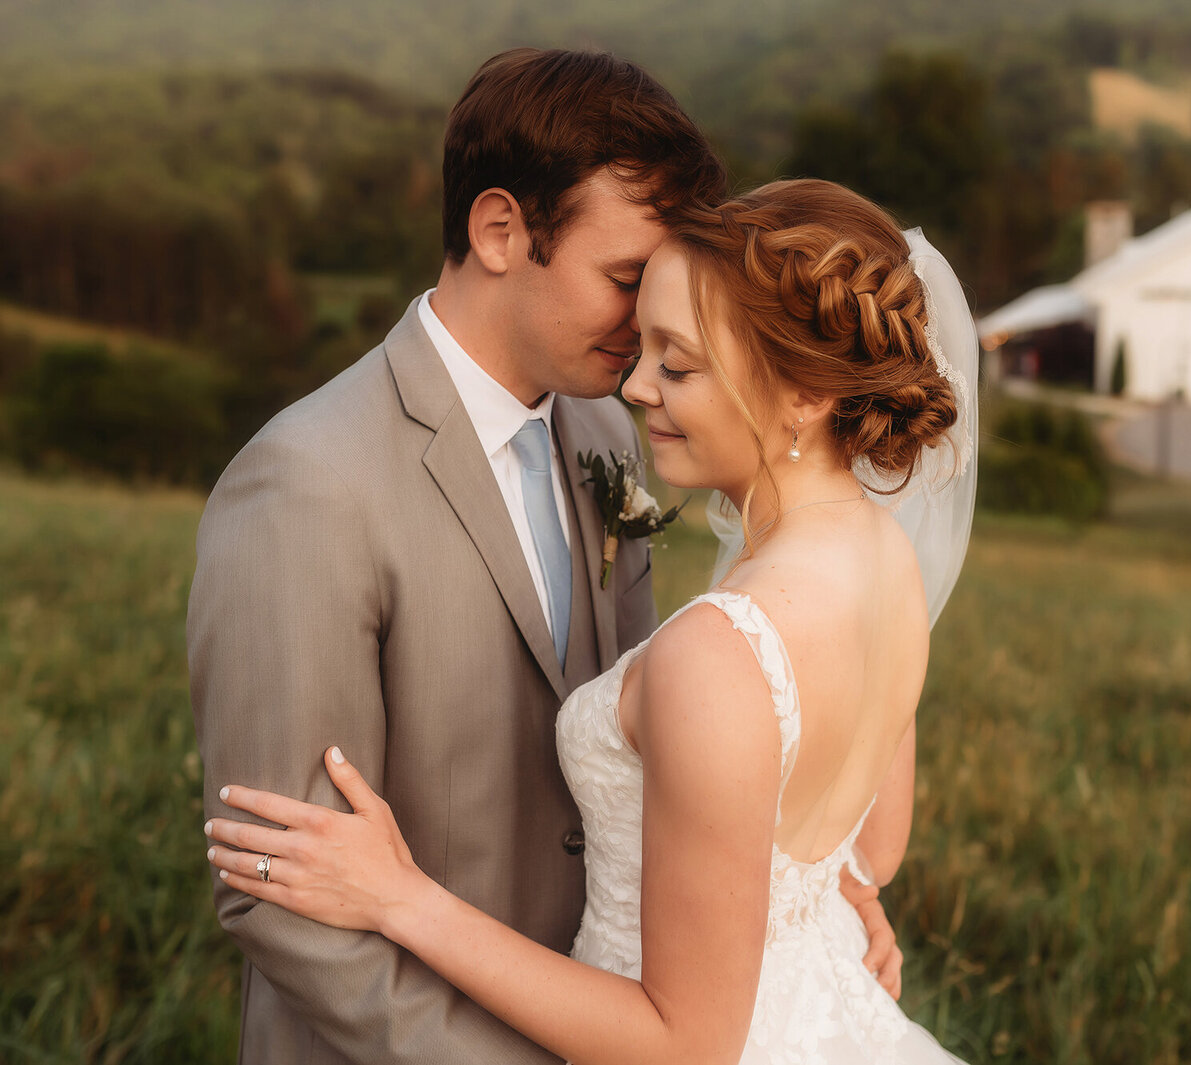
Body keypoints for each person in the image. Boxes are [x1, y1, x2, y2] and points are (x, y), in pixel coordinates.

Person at [188, 50, 902, 1063]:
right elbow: (281, 895)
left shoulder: (611, 437)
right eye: (624, 279)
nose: (648, 332)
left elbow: (670, 746)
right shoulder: (306, 487)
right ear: (498, 232)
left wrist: (807, 880)